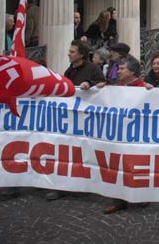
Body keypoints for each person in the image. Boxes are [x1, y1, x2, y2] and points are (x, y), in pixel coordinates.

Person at [46, 41, 106, 201]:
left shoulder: (93, 69)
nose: (69, 54)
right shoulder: (70, 70)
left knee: (83, 151)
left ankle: (81, 183)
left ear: (80, 54)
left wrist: (90, 84)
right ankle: (63, 185)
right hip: (70, 118)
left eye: (72, 52)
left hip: (86, 119)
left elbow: (103, 84)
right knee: (66, 151)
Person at [103, 56, 148, 214]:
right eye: (119, 68)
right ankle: (119, 200)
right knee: (119, 166)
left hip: (137, 135)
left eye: (122, 68)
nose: (119, 71)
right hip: (120, 133)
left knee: (137, 165)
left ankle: (140, 195)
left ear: (133, 72)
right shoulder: (118, 86)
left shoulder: (144, 88)